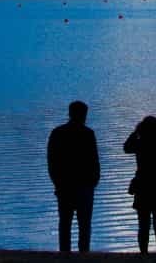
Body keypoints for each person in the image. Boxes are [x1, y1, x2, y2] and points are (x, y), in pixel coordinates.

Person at [47, 100, 100, 252]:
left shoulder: (57, 133)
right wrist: (93, 182)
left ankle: (65, 254)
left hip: (66, 186)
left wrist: (57, 182)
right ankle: (83, 254)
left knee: (65, 223)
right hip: (82, 186)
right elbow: (94, 161)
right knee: (83, 225)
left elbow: (52, 161)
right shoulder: (88, 134)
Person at [123, 116, 156, 254]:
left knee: (143, 224)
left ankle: (144, 253)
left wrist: (135, 132)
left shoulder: (140, 144)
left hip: (143, 182)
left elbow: (126, 147)